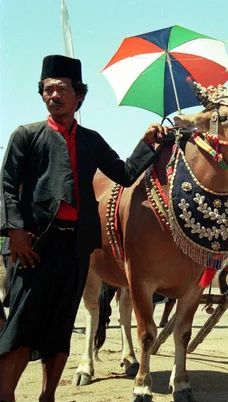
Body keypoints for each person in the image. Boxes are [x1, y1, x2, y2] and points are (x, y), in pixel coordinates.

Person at [0, 55, 167, 402]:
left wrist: (148, 143)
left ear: (79, 96)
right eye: (48, 90)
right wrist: (14, 231)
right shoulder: (25, 136)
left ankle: (48, 395)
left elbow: (123, 173)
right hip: (32, 246)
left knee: (60, 326)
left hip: (77, 249)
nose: (54, 96)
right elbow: (5, 185)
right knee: (21, 326)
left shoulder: (91, 140)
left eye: (62, 89)